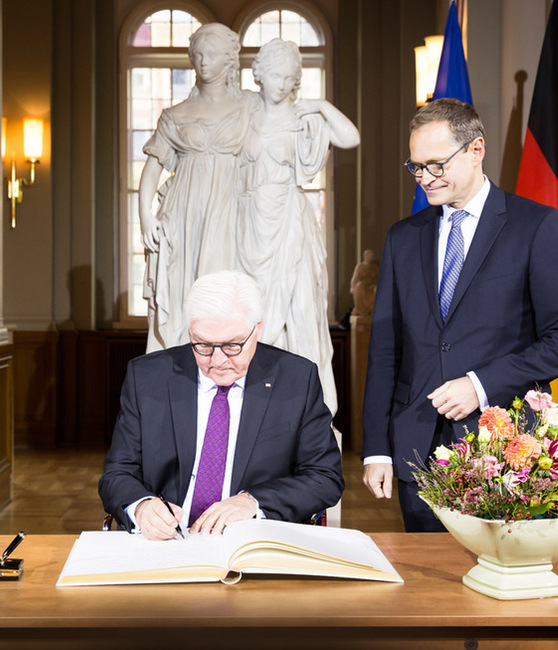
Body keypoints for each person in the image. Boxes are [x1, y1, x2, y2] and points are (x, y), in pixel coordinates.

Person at [361, 98, 558, 532]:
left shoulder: (536, 226)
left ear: (476, 150)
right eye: (416, 167)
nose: (425, 178)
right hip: (417, 450)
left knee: (498, 592)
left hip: (503, 449)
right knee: (430, 592)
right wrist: (376, 448)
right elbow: (385, 350)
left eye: (435, 165)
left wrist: (479, 384)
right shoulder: (403, 238)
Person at [99, 270, 344, 541]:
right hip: (169, 543)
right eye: (202, 344)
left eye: (231, 345)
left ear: (257, 330)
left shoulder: (296, 379)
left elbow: (325, 477)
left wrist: (253, 502)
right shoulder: (148, 377)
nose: (217, 360)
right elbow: (117, 473)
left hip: (256, 540)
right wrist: (142, 506)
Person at [237, 38, 360, 415]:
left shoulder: (303, 117)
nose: (280, 83)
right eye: (274, 75)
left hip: (289, 220)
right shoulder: (244, 113)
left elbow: (350, 137)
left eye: (288, 77)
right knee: (252, 311)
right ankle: (254, 400)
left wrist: (322, 106)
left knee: (302, 308)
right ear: (259, 75)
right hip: (250, 222)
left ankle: (310, 406)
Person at [138, 23, 258, 353]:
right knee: (182, 294)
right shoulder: (175, 115)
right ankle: (182, 373)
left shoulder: (250, 106)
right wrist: (145, 216)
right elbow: (151, 170)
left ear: (229, 59)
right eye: (198, 55)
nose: (203, 62)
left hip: (231, 209)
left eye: (212, 54)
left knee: (225, 295)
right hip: (183, 212)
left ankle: (226, 365)